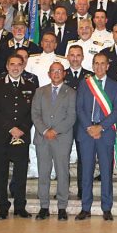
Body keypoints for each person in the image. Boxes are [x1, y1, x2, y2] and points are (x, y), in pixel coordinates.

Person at [75, 52, 117, 220]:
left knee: (106, 173)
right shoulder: (85, 84)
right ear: (93, 65)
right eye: (96, 63)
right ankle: (85, 207)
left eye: (103, 63)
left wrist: (100, 127)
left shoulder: (116, 87)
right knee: (86, 172)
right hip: (86, 133)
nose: (99, 66)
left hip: (105, 133)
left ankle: (106, 207)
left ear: (108, 66)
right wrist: (90, 127)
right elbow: (79, 108)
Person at [0, 54, 37, 220]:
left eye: (19, 64)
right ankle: (3, 206)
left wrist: (21, 129)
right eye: (12, 64)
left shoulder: (31, 86)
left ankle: (19, 206)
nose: (16, 67)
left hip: (22, 136)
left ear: (23, 67)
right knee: (1, 172)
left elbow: (33, 112)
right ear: (7, 67)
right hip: (2, 135)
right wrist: (10, 128)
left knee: (20, 173)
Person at [31, 62, 77, 221]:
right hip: (43, 138)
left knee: (62, 173)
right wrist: (45, 130)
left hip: (61, 138)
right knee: (43, 173)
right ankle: (44, 206)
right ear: (49, 73)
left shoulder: (71, 93)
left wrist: (55, 131)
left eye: (59, 71)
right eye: (53, 71)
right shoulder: (39, 91)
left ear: (64, 73)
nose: (56, 74)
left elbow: (71, 116)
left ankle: (62, 206)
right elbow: (35, 114)